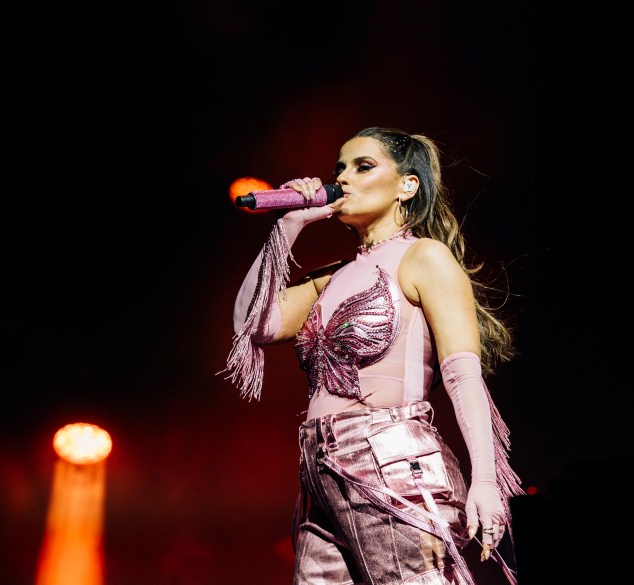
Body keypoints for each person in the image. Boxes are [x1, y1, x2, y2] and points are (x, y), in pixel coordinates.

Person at [221, 127, 525, 584]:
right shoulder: (332, 276)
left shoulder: (424, 257)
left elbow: (463, 376)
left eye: (363, 166)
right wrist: (290, 224)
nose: (343, 178)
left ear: (408, 185)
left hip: (391, 458)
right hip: (319, 468)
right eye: (338, 168)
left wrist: (485, 479)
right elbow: (252, 325)